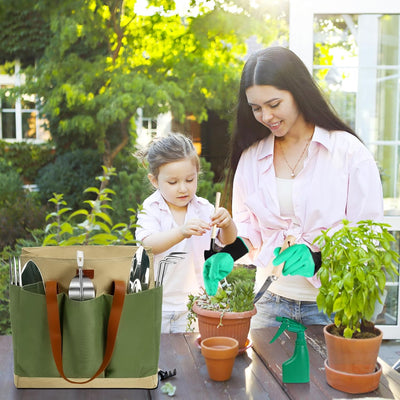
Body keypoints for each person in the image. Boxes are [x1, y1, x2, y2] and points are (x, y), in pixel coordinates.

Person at [227, 46, 383, 328]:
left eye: (274, 104)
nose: (266, 116)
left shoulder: (347, 153)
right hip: (268, 302)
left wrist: (319, 259)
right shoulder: (252, 158)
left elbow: (368, 235)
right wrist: (227, 254)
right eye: (256, 108)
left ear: (298, 92)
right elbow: (248, 230)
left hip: (332, 305)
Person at [135, 133, 237, 333]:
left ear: (197, 173)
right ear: (155, 181)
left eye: (190, 180)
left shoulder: (203, 208)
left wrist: (227, 224)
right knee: (161, 359)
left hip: (196, 303)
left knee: (191, 358)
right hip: (158, 303)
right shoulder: (152, 207)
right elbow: (148, 245)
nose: (183, 188)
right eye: (173, 182)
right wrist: (181, 232)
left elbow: (226, 240)